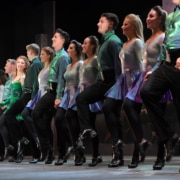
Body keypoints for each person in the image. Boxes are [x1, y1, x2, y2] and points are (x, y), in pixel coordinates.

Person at [123, 6, 168, 169]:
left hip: (157, 78)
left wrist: (154, 73)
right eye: (147, 16)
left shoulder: (163, 37)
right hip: (143, 78)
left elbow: (163, 59)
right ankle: (140, 145)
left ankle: (160, 157)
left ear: (160, 19)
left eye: (151, 16)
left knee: (157, 118)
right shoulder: (148, 39)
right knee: (128, 105)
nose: (147, 19)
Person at [75, 12, 123, 166]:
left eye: (101, 21)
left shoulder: (114, 42)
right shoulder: (104, 41)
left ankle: (118, 154)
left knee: (111, 113)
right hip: (103, 82)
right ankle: (87, 129)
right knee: (81, 98)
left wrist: (118, 87)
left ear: (110, 24)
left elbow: (119, 67)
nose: (98, 24)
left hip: (113, 82)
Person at [140, 0, 180, 171]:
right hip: (166, 64)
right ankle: (169, 135)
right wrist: (155, 69)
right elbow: (165, 46)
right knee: (147, 93)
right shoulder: (171, 15)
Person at [102, 13, 144, 167]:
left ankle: (137, 152)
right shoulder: (125, 44)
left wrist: (140, 86)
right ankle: (117, 145)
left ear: (134, 26)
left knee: (133, 118)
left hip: (135, 80)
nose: (122, 27)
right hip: (122, 80)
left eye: (126, 24)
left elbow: (142, 65)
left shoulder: (137, 43)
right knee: (107, 106)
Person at [32, 28, 71, 163]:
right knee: (40, 116)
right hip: (50, 91)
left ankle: (61, 151)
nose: (52, 39)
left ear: (62, 40)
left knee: (52, 119)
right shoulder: (56, 56)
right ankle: (49, 150)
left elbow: (62, 78)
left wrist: (58, 96)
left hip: (55, 92)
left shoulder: (64, 57)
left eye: (55, 37)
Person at [4, 43, 43, 162]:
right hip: (24, 96)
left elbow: (36, 82)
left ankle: (24, 143)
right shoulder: (32, 66)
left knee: (13, 116)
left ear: (30, 52)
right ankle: (20, 141)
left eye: (27, 52)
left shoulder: (35, 64)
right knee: (11, 117)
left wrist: (32, 98)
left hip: (27, 95)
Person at [21, 46, 54, 164]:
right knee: (27, 114)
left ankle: (49, 151)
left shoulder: (50, 67)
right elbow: (37, 84)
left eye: (43, 54)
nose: (41, 56)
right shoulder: (43, 67)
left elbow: (51, 83)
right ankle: (42, 143)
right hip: (39, 95)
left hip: (46, 95)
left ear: (49, 55)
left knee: (45, 123)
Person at [54, 39, 83, 166]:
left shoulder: (81, 63)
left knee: (73, 122)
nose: (68, 50)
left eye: (71, 48)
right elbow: (63, 81)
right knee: (59, 118)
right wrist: (59, 96)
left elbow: (83, 81)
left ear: (76, 50)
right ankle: (64, 150)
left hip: (76, 93)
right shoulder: (68, 66)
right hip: (66, 94)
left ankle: (78, 153)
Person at [0, 56, 30, 161]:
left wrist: (19, 107)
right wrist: (3, 102)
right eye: (18, 62)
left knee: (8, 122)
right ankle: (15, 147)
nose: (20, 65)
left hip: (17, 106)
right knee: (8, 124)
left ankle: (16, 150)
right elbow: (11, 95)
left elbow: (23, 94)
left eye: (22, 63)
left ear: (26, 65)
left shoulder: (23, 77)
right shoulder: (14, 78)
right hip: (11, 105)